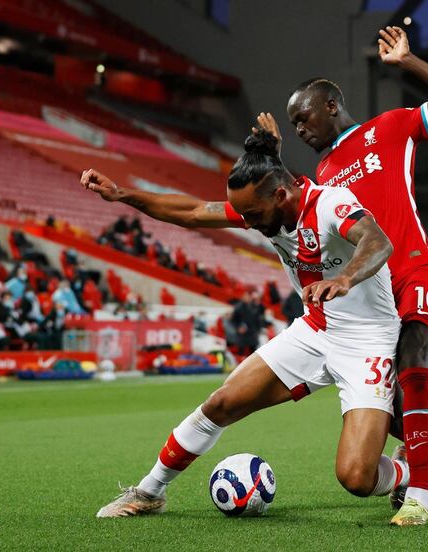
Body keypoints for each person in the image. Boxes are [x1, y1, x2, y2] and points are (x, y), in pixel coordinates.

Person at [88, 131, 411, 525]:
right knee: (220, 403)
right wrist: (122, 194)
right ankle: (150, 491)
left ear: (279, 197)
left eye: (254, 215)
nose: (250, 224)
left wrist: (346, 278)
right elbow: (191, 212)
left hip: (368, 341)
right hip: (315, 331)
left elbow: (377, 242)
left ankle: (406, 471)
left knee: (357, 477)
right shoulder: (262, 208)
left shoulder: (332, 204)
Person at [257, 25, 428, 523]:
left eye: (304, 118)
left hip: (413, 271)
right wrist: (271, 158)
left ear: (331, 106)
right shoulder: (321, 174)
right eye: (294, 124)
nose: (300, 128)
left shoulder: (392, 127)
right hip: (368, 297)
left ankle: (419, 498)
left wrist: (409, 63)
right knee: (392, 416)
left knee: (414, 362)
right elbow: (292, 214)